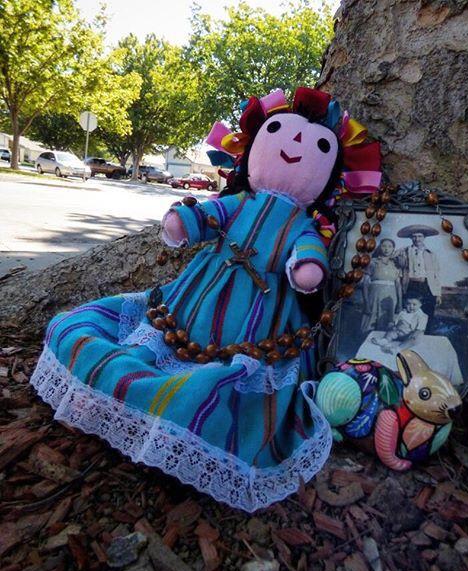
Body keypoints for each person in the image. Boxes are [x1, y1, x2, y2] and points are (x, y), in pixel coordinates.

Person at [31, 88, 382, 512]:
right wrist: (187, 221)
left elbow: (308, 250)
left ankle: (187, 406)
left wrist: (307, 267)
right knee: (143, 335)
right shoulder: (240, 201)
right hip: (191, 300)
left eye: (318, 147)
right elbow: (209, 215)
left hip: (263, 317)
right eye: (278, 133)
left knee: (239, 377)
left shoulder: (302, 224)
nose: (294, 148)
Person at [395, 226, 441, 331]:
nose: (417, 239)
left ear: (424, 237)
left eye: (420, 236)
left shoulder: (431, 253)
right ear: (411, 238)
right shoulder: (404, 251)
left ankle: (426, 336)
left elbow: (436, 274)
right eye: (414, 236)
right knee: (409, 311)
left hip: (427, 285)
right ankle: (407, 336)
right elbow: (394, 260)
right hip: (410, 285)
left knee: (427, 312)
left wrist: (438, 294)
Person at [361, 238, 403, 332]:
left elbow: (398, 286)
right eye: (384, 246)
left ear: (393, 249)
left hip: (391, 298)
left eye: (389, 246)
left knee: (388, 325)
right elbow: (365, 285)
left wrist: (400, 304)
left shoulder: (396, 265)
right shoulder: (372, 262)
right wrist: (366, 303)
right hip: (374, 296)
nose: (386, 249)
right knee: (370, 321)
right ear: (380, 247)